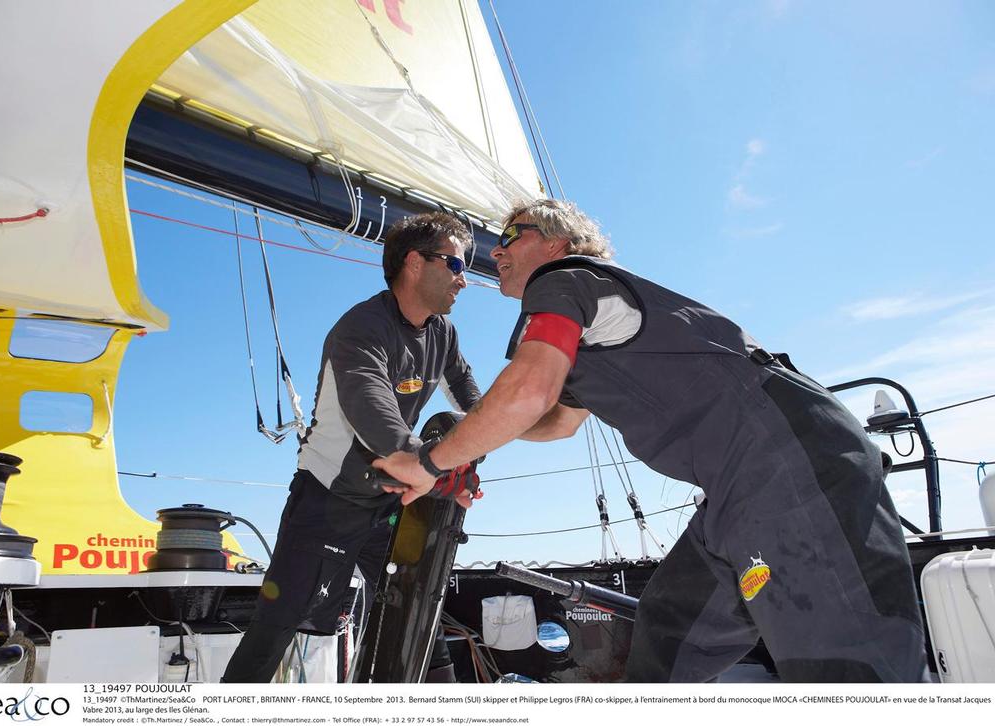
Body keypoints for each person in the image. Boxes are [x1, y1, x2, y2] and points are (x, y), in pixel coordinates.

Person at [373, 198, 928, 683]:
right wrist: (467, 447)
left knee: (846, 671)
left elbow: (527, 394)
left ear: (559, 243)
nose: (496, 250)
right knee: (665, 638)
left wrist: (430, 463)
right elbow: (555, 422)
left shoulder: (565, 279)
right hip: (737, 492)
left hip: (788, 469)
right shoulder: (594, 320)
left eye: (512, 236)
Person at [223, 212, 481, 682]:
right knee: (277, 628)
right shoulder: (361, 329)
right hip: (326, 497)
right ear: (415, 263)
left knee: (416, 610)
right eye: (456, 265)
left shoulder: (442, 334)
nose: (464, 280)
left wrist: (476, 449)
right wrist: (426, 464)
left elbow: (472, 400)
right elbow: (369, 405)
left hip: (387, 499)